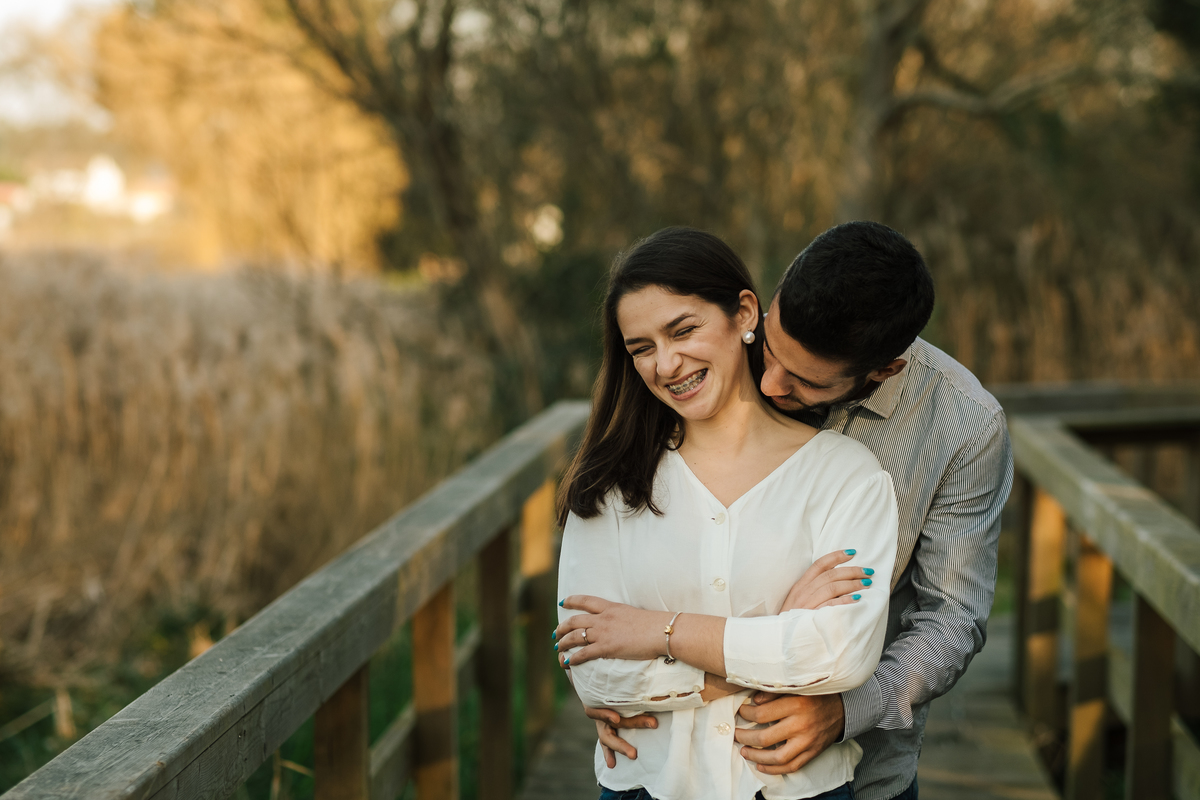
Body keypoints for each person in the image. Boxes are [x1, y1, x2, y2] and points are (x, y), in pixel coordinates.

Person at [590, 221, 1015, 800]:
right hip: (667, 764)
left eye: (804, 381)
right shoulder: (697, 369)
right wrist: (631, 687)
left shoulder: (963, 427)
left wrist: (844, 709)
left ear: (882, 369)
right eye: (770, 345)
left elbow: (952, 616)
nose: (767, 381)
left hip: (853, 772)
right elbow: (602, 626)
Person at [553, 226, 901, 800]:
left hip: (794, 788)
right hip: (645, 786)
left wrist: (657, 634)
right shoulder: (611, 480)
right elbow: (595, 674)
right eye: (642, 348)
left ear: (744, 314)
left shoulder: (847, 475)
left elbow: (843, 654)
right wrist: (771, 644)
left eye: (682, 329)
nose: (666, 364)